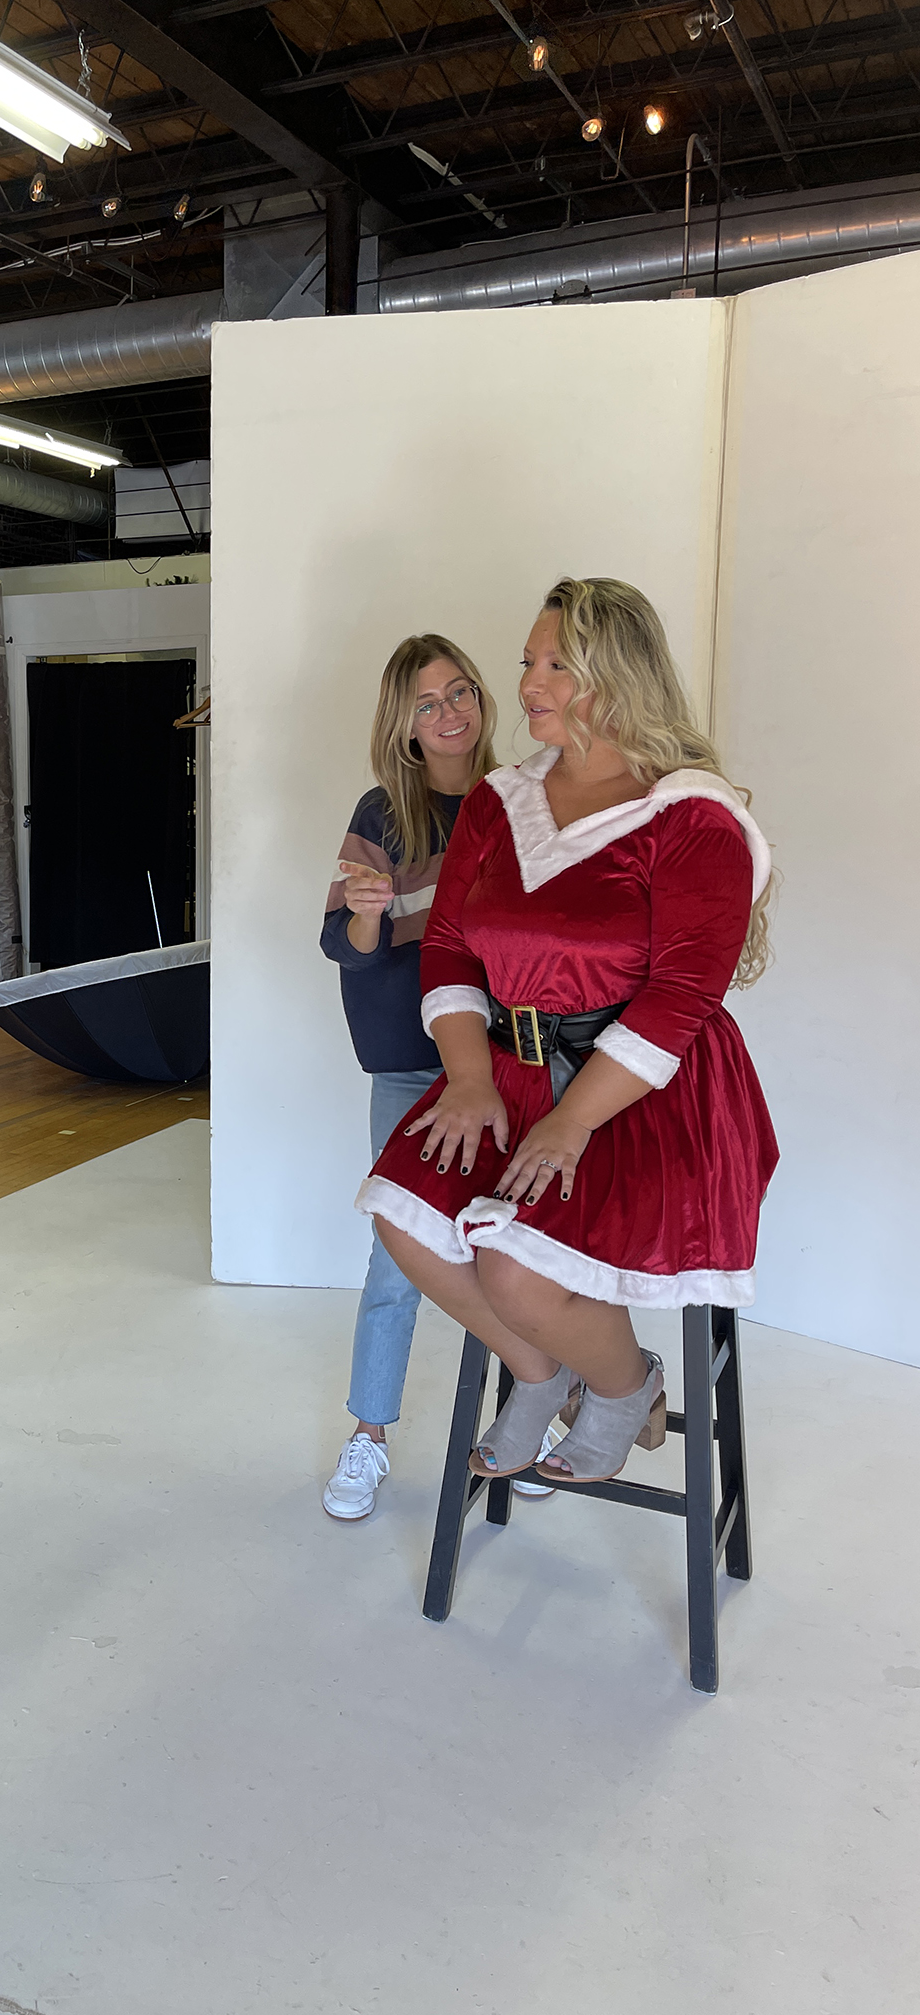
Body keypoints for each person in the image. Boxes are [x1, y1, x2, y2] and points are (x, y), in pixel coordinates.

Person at [356, 578, 777, 1487]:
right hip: (510, 1067)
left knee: (514, 1274)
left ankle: (626, 1388)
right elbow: (454, 950)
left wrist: (571, 1121)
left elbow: (680, 997)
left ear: (617, 677)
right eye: (527, 663)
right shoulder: (499, 802)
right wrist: (468, 1077)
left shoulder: (690, 813)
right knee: (408, 1225)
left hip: (647, 1092)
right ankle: (543, 1376)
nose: (529, 684)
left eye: (555, 665)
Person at [317, 633, 556, 1519]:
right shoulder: (383, 812)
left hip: (511, 1062)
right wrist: (373, 916)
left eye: (461, 693)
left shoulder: (523, 801)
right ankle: (369, 1438)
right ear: (405, 725)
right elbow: (340, 943)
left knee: (516, 1251)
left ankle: (524, 1422)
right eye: (428, 703)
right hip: (409, 1062)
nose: (451, 712)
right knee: (400, 1261)